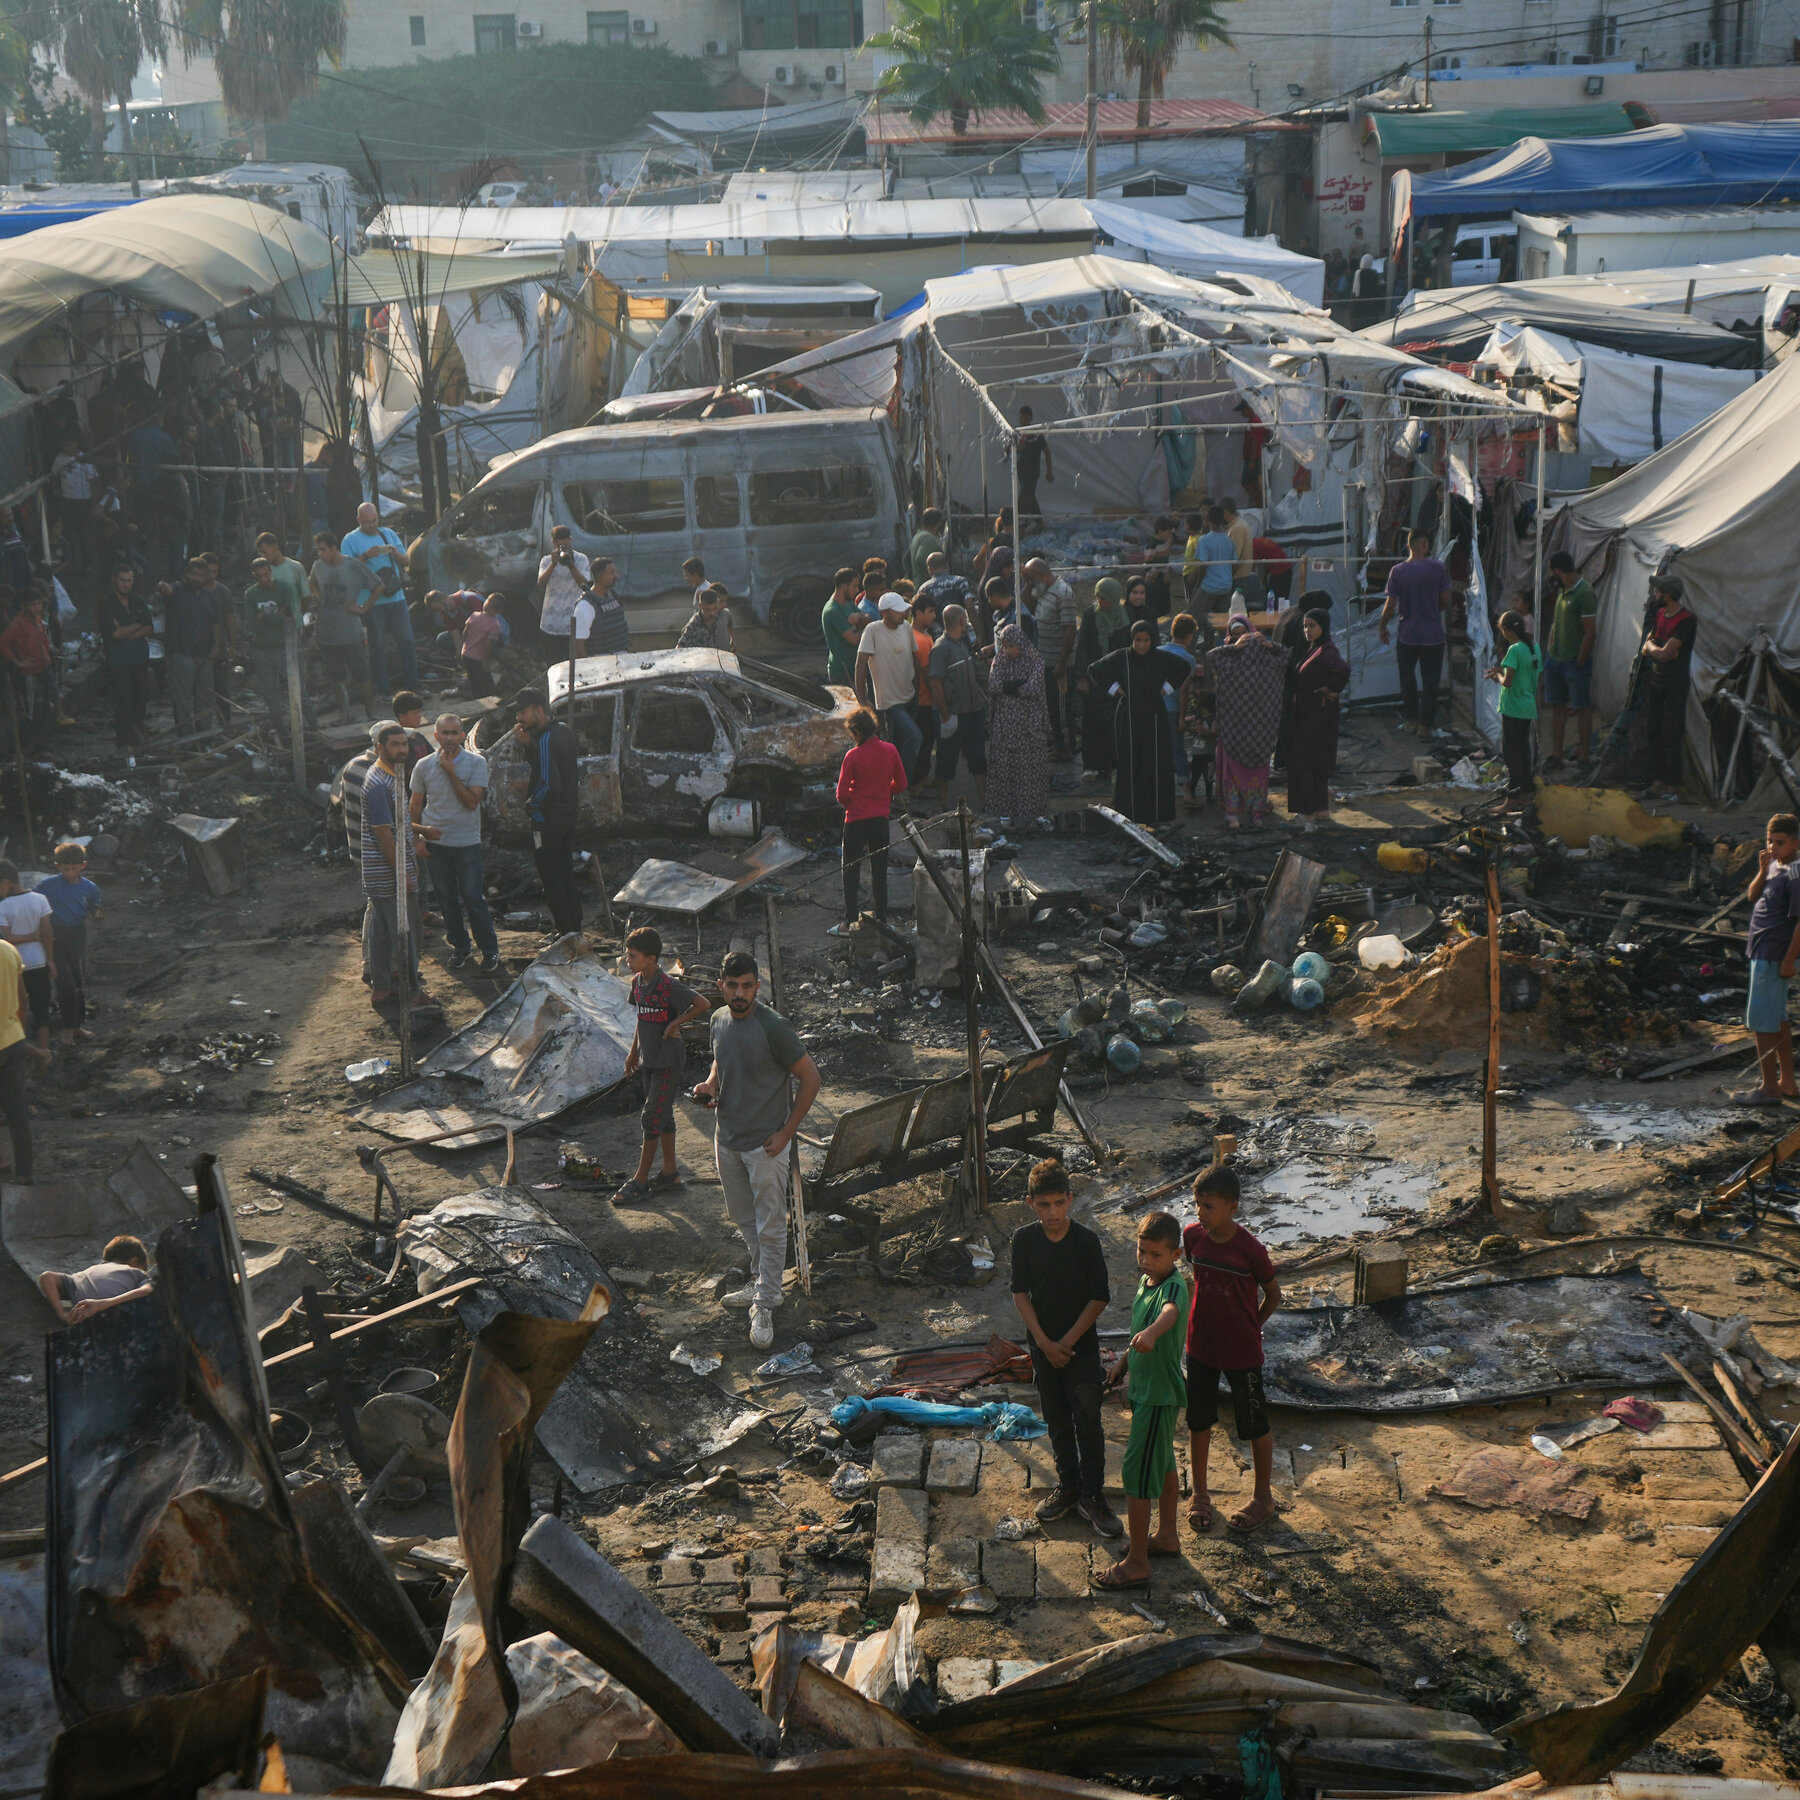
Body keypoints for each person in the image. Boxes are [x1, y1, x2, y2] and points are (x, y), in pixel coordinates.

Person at [692, 950, 822, 1350]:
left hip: (765, 1144)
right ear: (721, 987)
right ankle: (761, 1280)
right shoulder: (717, 1020)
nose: (740, 993)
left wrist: (786, 1133)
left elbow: (811, 1078)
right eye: (732, 986)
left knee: (769, 1224)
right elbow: (720, 1060)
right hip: (726, 1137)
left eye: (747, 985)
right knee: (741, 1214)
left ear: (757, 986)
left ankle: (767, 1301)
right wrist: (711, 1086)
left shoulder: (774, 1027)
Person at [1010, 1158, 1121, 1538]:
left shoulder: (1086, 1242)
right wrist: (1043, 1343)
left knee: (1088, 1422)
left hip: (1081, 1351)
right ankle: (1068, 1487)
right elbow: (1019, 1293)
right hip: (1043, 1349)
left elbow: (1099, 1298)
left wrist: (1067, 1343)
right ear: (1031, 1204)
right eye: (1045, 1205)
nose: (1053, 1212)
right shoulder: (1024, 1240)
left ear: (1070, 1199)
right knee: (1056, 1421)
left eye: (1059, 1203)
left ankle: (1094, 1496)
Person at [1184, 1164, 1281, 1534]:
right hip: (1201, 1346)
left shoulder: (1250, 1250)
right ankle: (1200, 1494)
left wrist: (1250, 1326)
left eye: (1208, 1206)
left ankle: (1263, 1498)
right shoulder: (1193, 1237)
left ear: (1233, 1207)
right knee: (1198, 1420)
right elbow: (1198, 1281)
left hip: (1241, 1351)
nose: (1200, 1213)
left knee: (1254, 1423)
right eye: (1197, 1204)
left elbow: (1273, 1294)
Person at [1095, 1211, 1189, 1592]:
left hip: (1158, 1395)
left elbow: (1169, 1314)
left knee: (1135, 1474)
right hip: (1145, 1389)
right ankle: (1166, 1536)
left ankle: (1137, 1561)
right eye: (1142, 1252)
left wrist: (1152, 1332)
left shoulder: (1173, 1287)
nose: (1147, 1261)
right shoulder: (1146, 1282)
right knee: (1164, 1462)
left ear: (1176, 1255)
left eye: (1156, 1255)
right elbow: (1137, 1333)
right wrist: (1122, 1362)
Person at [615, 924, 710, 1208]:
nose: (628, 961)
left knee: (651, 1117)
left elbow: (702, 1003)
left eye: (632, 956)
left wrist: (675, 1023)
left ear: (652, 959)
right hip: (649, 1060)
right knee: (664, 1115)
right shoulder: (637, 984)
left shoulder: (669, 986)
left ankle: (641, 1180)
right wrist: (633, 1052)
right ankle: (670, 1173)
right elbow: (641, 1020)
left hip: (669, 1060)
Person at [410, 712, 502, 977]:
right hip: (436, 844)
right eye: (444, 733)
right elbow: (415, 805)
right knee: (447, 900)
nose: (449, 738)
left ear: (462, 735)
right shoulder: (423, 766)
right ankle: (460, 947)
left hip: (466, 843)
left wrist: (450, 772)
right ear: (436, 736)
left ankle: (489, 949)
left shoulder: (476, 763)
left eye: (454, 733)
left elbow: (472, 802)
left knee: (474, 898)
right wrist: (416, 839)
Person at [361, 721, 438, 1013]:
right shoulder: (379, 783)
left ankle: (381, 988)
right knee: (405, 933)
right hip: (387, 873)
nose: (401, 749)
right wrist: (402, 872)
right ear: (380, 748)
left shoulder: (392, 775)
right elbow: (383, 833)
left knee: (381, 932)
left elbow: (400, 825)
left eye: (404, 744)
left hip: (384, 872)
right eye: (394, 745)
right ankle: (413, 992)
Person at [1091, 619, 1190, 826]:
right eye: (1137, 640)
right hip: (1128, 716)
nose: (1142, 645)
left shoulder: (1160, 658)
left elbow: (1183, 668)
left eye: (1146, 640)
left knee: (1155, 763)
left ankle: (1155, 816)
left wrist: (1166, 689)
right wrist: (1116, 689)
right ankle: (1130, 815)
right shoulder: (1122, 657)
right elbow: (1095, 670)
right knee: (1129, 762)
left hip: (1155, 717)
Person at [512, 686, 582, 938]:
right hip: (567, 817)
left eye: (523, 712)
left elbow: (549, 783)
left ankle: (565, 932)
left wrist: (531, 805)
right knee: (565, 872)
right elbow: (549, 766)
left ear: (539, 710)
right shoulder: (562, 731)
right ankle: (573, 928)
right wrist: (529, 745)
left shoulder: (546, 738)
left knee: (551, 877)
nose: (519, 718)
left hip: (549, 820)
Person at [1740, 813, 1800, 1106]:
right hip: (1762, 951)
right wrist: (1762, 870)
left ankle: (1768, 1088)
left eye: (1780, 842)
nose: (1773, 847)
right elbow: (1752, 897)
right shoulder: (1774, 865)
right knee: (1777, 1020)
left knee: (1762, 1024)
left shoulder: (1796, 874)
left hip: (1774, 955)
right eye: (1769, 841)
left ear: (1796, 843)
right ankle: (1787, 1082)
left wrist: (1790, 960)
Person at [1208, 618, 1289, 829]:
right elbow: (1286, 654)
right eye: (1237, 634)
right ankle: (1253, 815)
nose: (1243, 638)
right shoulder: (1268, 661)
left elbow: (1211, 656)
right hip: (1253, 730)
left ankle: (1241, 814)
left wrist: (1235, 647)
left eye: (1245, 633)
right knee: (1252, 774)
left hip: (1239, 729)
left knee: (1240, 773)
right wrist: (1269, 646)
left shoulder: (1229, 661)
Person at [836, 707, 908, 922]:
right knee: (879, 872)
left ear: (857, 732)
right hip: (880, 821)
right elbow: (901, 784)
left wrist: (855, 798)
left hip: (855, 821)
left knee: (851, 871)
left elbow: (841, 795)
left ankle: (850, 920)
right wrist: (884, 791)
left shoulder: (852, 756)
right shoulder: (891, 750)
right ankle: (882, 918)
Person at [1378, 529, 1450, 740]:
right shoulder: (1438, 568)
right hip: (1433, 635)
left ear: (1409, 545)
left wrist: (1382, 627)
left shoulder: (1398, 571)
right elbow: (1445, 599)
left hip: (1407, 634)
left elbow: (1390, 605)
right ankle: (1425, 726)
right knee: (1430, 682)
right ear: (1425, 545)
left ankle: (1410, 720)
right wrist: (1433, 610)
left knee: (1407, 678)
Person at [1285, 607, 1350, 828]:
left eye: (1312, 626)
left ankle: (1307, 814)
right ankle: (1321, 810)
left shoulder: (1327, 651)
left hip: (1316, 718)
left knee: (1302, 763)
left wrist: (1329, 688)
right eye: (1305, 625)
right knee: (1317, 764)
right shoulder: (1317, 648)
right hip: (1315, 716)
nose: (1307, 630)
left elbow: (1342, 669)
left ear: (1323, 627)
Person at [343, 501, 418, 690]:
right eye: (367, 522)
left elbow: (406, 560)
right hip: (371, 601)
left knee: (407, 641)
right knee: (377, 646)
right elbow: (347, 571)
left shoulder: (389, 534)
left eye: (374, 520)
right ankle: (382, 687)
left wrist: (393, 553)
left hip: (396, 597)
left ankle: (414, 685)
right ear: (359, 520)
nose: (372, 524)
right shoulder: (350, 540)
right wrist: (366, 556)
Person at [240, 555, 315, 737]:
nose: (264, 579)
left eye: (266, 574)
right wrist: (275, 616)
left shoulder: (284, 588)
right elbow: (251, 624)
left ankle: (313, 724)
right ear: (254, 576)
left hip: (285, 646)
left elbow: (288, 616)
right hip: (262, 648)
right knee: (269, 691)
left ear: (270, 572)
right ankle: (280, 727)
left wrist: (264, 617)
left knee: (297, 687)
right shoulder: (250, 595)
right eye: (260, 576)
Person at [984, 622, 1051, 824]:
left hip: (1029, 727)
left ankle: (1032, 814)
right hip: (1005, 727)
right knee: (1005, 770)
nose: (1007, 650)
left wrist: (1008, 688)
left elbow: (1033, 688)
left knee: (1029, 770)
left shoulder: (1035, 661)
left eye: (1011, 645)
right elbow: (993, 686)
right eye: (1004, 645)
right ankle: (1006, 813)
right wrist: (1015, 686)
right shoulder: (1000, 661)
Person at [310, 531, 378, 720]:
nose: (321, 554)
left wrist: (363, 608)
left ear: (333, 548)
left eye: (323, 550)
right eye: (318, 550)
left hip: (350, 632)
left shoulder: (352, 565)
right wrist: (318, 596)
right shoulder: (318, 566)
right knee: (336, 677)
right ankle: (344, 714)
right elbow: (311, 582)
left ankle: (370, 713)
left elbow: (378, 586)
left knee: (361, 675)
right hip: (327, 632)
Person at [1639, 573, 1696, 798]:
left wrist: (1655, 650)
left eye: (1658, 591)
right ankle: (1658, 781)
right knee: (1653, 732)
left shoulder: (1687, 620)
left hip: (1675, 684)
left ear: (1668, 594)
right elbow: (1650, 646)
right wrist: (1656, 650)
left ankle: (1675, 786)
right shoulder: (1660, 614)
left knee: (1672, 734)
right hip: (1656, 681)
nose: (1655, 595)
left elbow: (1663, 653)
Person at [38, 842, 101, 1046]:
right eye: (66, 868)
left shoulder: (89, 887)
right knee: (65, 984)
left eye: (74, 868)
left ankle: (77, 1025)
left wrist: (98, 913)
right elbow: (33, 902)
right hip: (54, 937)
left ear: (83, 865)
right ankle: (66, 1028)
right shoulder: (47, 886)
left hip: (77, 935)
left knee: (78, 982)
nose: (70, 872)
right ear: (58, 866)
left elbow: (95, 906)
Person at [1540, 550, 1599, 767]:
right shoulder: (1562, 591)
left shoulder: (1584, 593)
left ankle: (1584, 755)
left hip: (1574, 662)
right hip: (1556, 659)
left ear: (1557, 570)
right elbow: (1557, 623)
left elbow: (1590, 632)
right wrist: (1551, 650)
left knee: (1582, 707)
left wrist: (1580, 660)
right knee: (1558, 707)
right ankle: (1557, 755)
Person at [928, 603, 988, 810]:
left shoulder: (962, 644)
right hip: (954, 716)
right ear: (962, 621)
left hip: (973, 714)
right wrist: (945, 716)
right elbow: (935, 683)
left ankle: (984, 803)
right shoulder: (941, 648)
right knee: (946, 762)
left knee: (978, 760)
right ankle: (943, 807)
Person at [855, 593, 922, 770]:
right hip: (890, 701)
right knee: (915, 737)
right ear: (884, 612)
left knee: (897, 745)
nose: (903, 614)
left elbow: (914, 658)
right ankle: (902, 786)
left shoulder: (906, 628)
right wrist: (862, 699)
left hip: (909, 695)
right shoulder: (873, 630)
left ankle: (894, 784)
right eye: (898, 611)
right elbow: (861, 663)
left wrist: (918, 686)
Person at [1076, 577, 1133, 782]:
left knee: (1115, 723)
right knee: (1092, 723)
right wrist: (1082, 677)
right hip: (1094, 678)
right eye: (1098, 597)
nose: (1100, 601)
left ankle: (1113, 764)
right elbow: (1083, 647)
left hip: (1117, 680)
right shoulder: (1091, 615)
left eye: (1104, 598)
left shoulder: (1126, 617)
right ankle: (1092, 765)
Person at [0, 928, 44, 1177]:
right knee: (18, 1115)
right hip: (13, 1042)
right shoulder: (8, 949)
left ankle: (2, 1163)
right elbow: (23, 1000)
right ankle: (26, 1176)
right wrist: (20, 1034)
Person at [1487, 609, 1541, 809]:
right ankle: (1526, 793)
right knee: (1523, 751)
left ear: (1507, 630)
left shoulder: (1515, 649)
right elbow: (1535, 675)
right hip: (1527, 706)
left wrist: (1497, 676)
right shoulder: (1534, 647)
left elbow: (1507, 682)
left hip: (1512, 708)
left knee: (1511, 754)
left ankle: (1513, 797)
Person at [165, 555, 223, 737]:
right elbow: (166, 590)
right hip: (182, 654)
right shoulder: (177, 590)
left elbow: (216, 622)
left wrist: (217, 645)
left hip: (205, 655)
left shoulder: (209, 597)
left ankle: (203, 736)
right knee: (182, 701)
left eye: (201, 575)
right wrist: (161, 587)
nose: (197, 578)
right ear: (186, 573)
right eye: (194, 574)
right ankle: (186, 738)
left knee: (204, 698)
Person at [97, 565, 154, 750]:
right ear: (114, 579)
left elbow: (149, 628)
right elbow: (114, 634)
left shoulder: (138, 601)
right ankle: (122, 743)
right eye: (122, 580)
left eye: (129, 580)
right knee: (123, 702)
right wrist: (136, 626)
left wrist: (125, 630)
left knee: (140, 700)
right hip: (119, 662)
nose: (126, 584)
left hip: (139, 658)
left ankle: (138, 739)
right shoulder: (107, 604)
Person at [0, 862, 55, 1051]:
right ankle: (44, 1049)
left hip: (15, 966)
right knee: (41, 1008)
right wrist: (51, 960)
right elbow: (47, 932)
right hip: (39, 962)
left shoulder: (4, 906)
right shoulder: (40, 899)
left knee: (16, 1008)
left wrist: (28, 937)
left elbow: (8, 938)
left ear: (5, 882)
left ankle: (21, 1049)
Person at [1025, 558, 1077, 757]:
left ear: (1041, 574)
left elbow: (1070, 630)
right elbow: (1026, 604)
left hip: (1058, 663)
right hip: (1045, 659)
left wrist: (1062, 663)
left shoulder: (1063, 593)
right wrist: (1027, 583)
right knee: (1051, 706)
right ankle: (1058, 741)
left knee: (1061, 707)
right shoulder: (1042, 589)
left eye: (1030, 578)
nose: (1029, 582)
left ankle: (1065, 746)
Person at [38, 1234, 149, 1325]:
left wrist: (63, 1314)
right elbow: (148, 1290)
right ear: (134, 1262)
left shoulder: (82, 1275)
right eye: (144, 1268)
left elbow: (47, 1277)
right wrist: (103, 1304)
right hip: (113, 1316)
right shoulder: (135, 1272)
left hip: (83, 1319)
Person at [0, 591, 55, 742]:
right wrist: (16, 661)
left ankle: (44, 739)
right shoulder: (18, 623)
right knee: (32, 707)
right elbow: (3, 642)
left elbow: (43, 638)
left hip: (43, 666)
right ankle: (31, 740)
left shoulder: (37, 619)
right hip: (30, 671)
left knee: (46, 703)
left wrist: (46, 654)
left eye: (39, 604)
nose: (37, 608)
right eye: (33, 605)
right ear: (24, 606)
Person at [536, 522, 592, 658]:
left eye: (565, 540)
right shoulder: (546, 560)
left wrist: (571, 565)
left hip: (574, 622)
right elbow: (541, 583)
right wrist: (553, 564)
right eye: (558, 541)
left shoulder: (581, 558)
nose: (563, 543)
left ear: (570, 540)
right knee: (554, 663)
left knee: (575, 663)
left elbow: (585, 584)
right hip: (551, 622)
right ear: (553, 542)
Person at [1012, 407, 1053, 527]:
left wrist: (1049, 471)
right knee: (1030, 496)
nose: (1023, 420)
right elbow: (1010, 448)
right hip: (1020, 470)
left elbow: (1047, 451)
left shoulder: (1036, 434)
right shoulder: (1017, 433)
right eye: (1021, 417)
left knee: (1023, 498)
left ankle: (1020, 524)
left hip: (1032, 470)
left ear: (1030, 418)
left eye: (1025, 417)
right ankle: (1039, 522)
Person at [821, 567, 862, 687]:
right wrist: (865, 628)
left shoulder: (848, 602)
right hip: (842, 672)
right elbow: (854, 640)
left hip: (854, 668)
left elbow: (867, 618)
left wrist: (858, 616)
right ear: (844, 586)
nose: (857, 590)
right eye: (854, 586)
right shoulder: (832, 611)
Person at [459, 593, 506, 698]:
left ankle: (477, 699)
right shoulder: (495, 625)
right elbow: (487, 645)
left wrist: (465, 646)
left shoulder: (474, 615)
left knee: (473, 680)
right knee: (486, 683)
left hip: (466, 654)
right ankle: (490, 700)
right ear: (498, 611)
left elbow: (465, 633)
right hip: (478, 658)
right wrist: (485, 662)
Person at [1190, 507, 1236, 609]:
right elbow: (1234, 565)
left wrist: (1198, 585)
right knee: (1220, 620)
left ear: (1208, 519)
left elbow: (1202, 566)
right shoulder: (1229, 541)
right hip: (1226, 587)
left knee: (1193, 615)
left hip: (1209, 587)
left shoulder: (1204, 540)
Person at [978, 574, 1036, 652]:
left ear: (995, 597)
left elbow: (1021, 650)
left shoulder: (1020, 617)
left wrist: (996, 661)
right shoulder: (1002, 613)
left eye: (988, 598)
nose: (989, 602)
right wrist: (992, 648)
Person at [585, 556, 630, 654]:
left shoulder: (613, 595)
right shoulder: (586, 605)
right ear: (600, 576)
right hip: (600, 662)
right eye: (611, 573)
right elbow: (579, 645)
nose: (616, 576)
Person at [678, 582, 734, 653]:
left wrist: (732, 639)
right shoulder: (693, 625)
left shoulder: (724, 614)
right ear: (700, 606)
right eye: (708, 610)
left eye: (714, 609)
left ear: (717, 603)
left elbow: (730, 623)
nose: (712, 613)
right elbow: (680, 648)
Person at [1220, 498, 1254, 585]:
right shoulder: (1239, 524)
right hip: (1241, 576)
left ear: (1225, 513)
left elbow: (1234, 559)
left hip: (1239, 577)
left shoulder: (1236, 528)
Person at [908, 507, 945, 584]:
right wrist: (933, 574)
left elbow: (906, 559)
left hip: (917, 584)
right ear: (938, 523)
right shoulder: (930, 539)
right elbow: (920, 558)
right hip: (927, 585)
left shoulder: (917, 536)